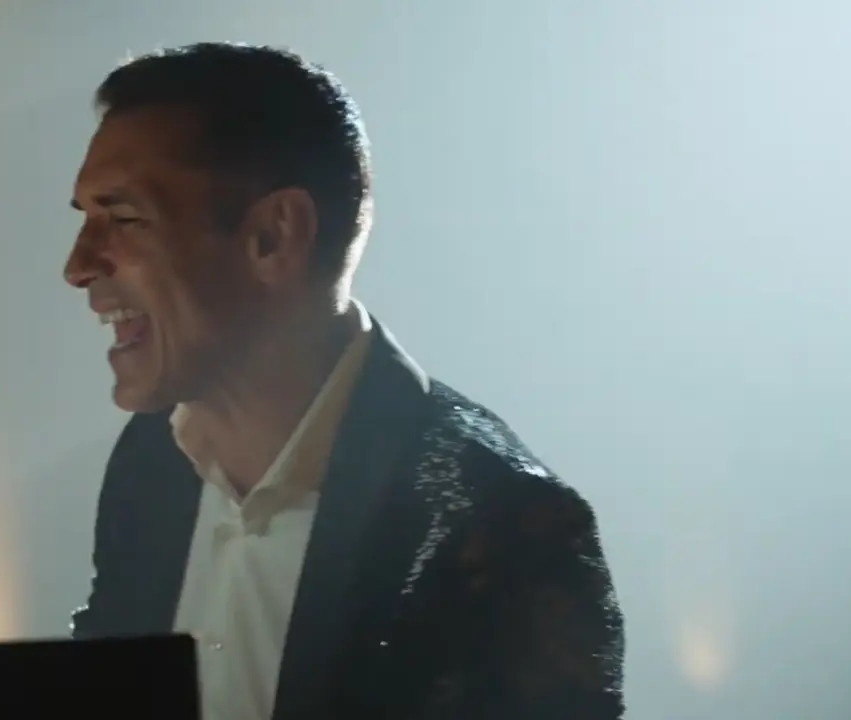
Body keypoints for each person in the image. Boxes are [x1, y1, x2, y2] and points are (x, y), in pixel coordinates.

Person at [63, 42, 624, 720]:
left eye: (124, 219)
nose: (78, 265)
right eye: (84, 219)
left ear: (274, 236)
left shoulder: (505, 523)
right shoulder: (149, 462)